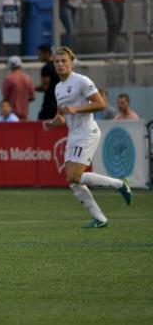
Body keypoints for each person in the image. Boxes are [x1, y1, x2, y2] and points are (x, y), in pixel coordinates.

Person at [43, 46, 132, 228]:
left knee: (74, 176)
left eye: (63, 61)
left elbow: (101, 104)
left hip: (87, 132)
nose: (60, 64)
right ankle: (100, 219)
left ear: (71, 63)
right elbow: (61, 115)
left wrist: (77, 109)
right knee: (72, 181)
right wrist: (52, 123)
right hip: (73, 134)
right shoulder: (58, 88)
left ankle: (120, 184)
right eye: (57, 62)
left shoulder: (82, 81)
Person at [2, 56, 35, 120]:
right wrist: (24, 100)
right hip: (24, 113)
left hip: (11, 115)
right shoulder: (27, 78)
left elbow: (5, 98)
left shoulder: (8, 79)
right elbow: (33, 97)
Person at [35, 44, 60, 120]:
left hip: (49, 104)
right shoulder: (58, 66)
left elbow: (45, 87)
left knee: (41, 125)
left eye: (40, 54)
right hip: (59, 102)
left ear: (46, 53)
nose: (38, 56)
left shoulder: (46, 68)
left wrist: (32, 88)